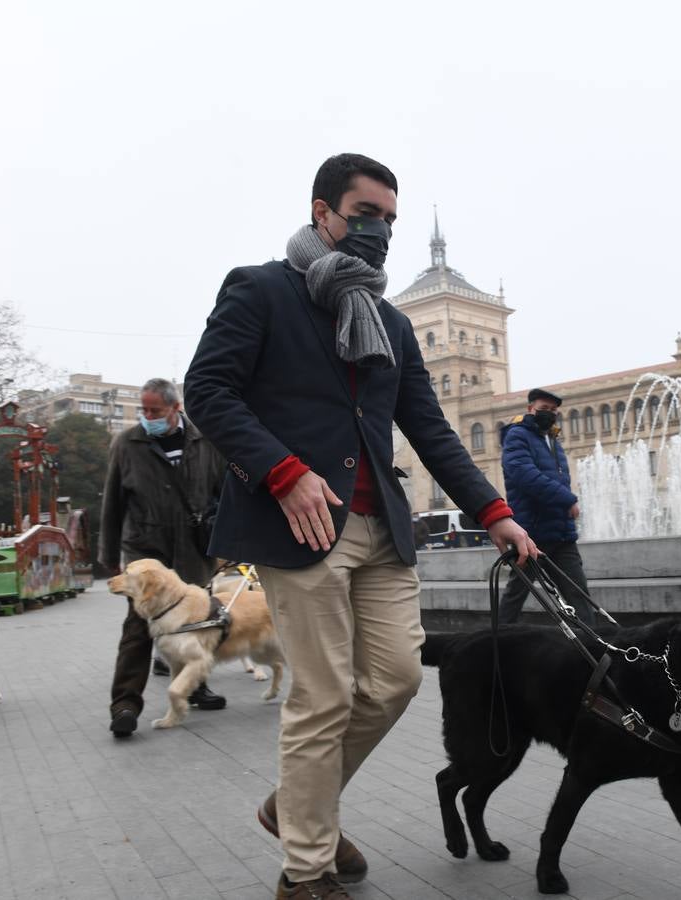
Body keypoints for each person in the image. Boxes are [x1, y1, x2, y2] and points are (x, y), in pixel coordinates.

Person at [183, 153, 537, 900]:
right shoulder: (261, 291)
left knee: (396, 680)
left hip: (384, 528)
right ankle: (304, 870)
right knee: (324, 695)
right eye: (365, 214)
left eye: (389, 220)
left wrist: (495, 510)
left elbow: (432, 430)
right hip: (301, 524)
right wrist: (281, 470)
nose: (378, 231)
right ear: (323, 213)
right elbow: (208, 392)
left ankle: (292, 809)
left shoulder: (390, 323)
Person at [100, 378, 226, 739]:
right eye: (144, 410)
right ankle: (125, 704)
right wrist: (110, 554)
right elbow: (112, 502)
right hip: (146, 551)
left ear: (176, 409)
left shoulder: (205, 441)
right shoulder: (128, 443)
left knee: (199, 623)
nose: (147, 417)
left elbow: (225, 493)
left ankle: (195, 687)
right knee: (138, 629)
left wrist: (229, 541)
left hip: (193, 549)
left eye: (155, 411)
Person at [497, 388, 595, 625]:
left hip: (562, 532)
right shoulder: (517, 435)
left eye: (553, 411)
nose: (549, 414)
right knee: (517, 593)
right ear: (530, 409)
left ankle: (593, 650)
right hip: (533, 533)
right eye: (543, 409)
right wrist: (567, 499)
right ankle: (495, 642)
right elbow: (523, 474)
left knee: (578, 594)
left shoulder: (552, 440)